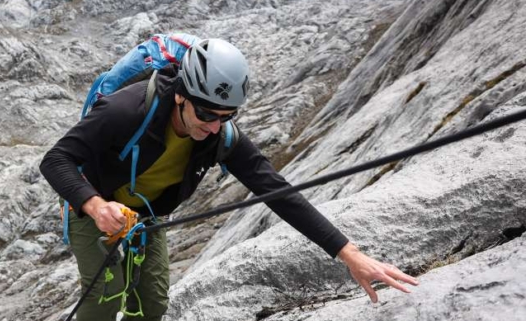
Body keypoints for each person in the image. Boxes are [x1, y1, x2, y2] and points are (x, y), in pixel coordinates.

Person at [39, 38, 419, 321]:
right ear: (181, 97)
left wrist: (350, 256)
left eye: (227, 115)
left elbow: (277, 191)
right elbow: (56, 159)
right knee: (106, 292)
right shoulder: (125, 110)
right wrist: (94, 204)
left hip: (148, 213)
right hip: (91, 198)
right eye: (206, 113)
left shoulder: (221, 135)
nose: (214, 125)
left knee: (153, 303)